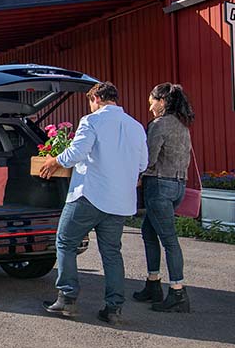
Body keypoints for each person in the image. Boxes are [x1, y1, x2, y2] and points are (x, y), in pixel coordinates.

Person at [38, 82, 148, 325]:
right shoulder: (136, 126)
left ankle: (67, 298)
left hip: (90, 195)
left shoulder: (92, 121)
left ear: (96, 98)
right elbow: (142, 164)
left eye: (90, 102)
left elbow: (76, 153)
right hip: (120, 201)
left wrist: (54, 160)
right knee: (112, 253)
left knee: (65, 241)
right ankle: (114, 308)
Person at [132, 83, 195, 313]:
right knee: (148, 232)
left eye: (152, 103)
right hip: (178, 185)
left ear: (163, 101)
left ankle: (178, 292)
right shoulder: (182, 125)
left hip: (159, 185)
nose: (150, 108)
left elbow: (148, 159)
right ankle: (153, 284)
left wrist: (135, 174)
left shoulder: (159, 125)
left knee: (169, 240)